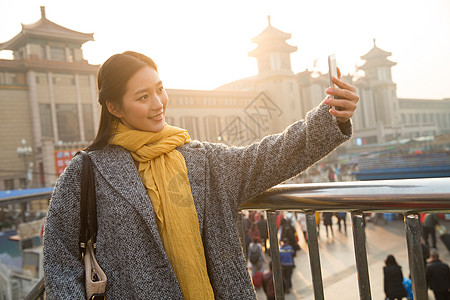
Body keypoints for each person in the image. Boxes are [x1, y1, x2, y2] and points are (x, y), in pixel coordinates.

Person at [43, 51, 358, 299]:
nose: (158, 104)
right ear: (113, 107)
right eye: (143, 97)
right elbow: (59, 262)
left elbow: (268, 157)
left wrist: (330, 117)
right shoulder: (86, 172)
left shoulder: (201, 160)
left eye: (160, 90)